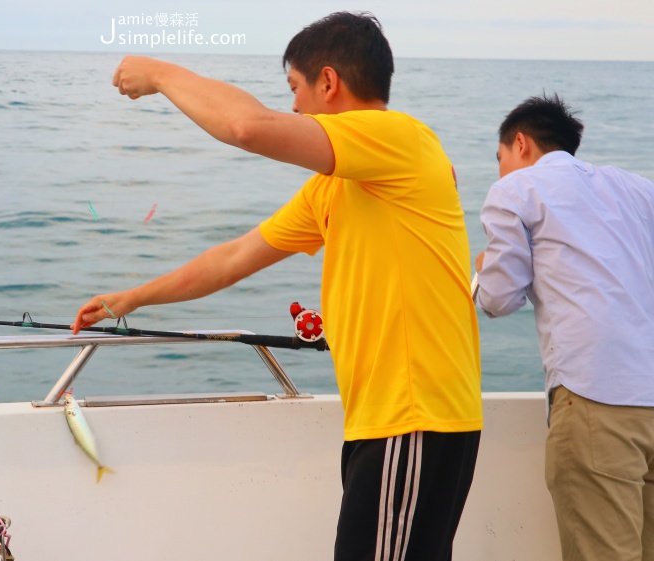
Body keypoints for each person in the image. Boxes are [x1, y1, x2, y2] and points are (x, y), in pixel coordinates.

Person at [73, 12, 482, 561]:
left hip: (413, 418)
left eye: (295, 88)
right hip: (389, 422)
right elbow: (234, 258)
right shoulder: (336, 188)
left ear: (329, 82)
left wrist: (162, 73)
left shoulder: (402, 139)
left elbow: (249, 127)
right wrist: (131, 298)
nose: (292, 106)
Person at [476, 94, 654, 561]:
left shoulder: (518, 190)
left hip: (597, 394)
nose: (501, 171)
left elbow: (498, 298)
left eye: (500, 159)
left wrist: (481, 271)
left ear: (520, 143)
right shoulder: (637, 188)